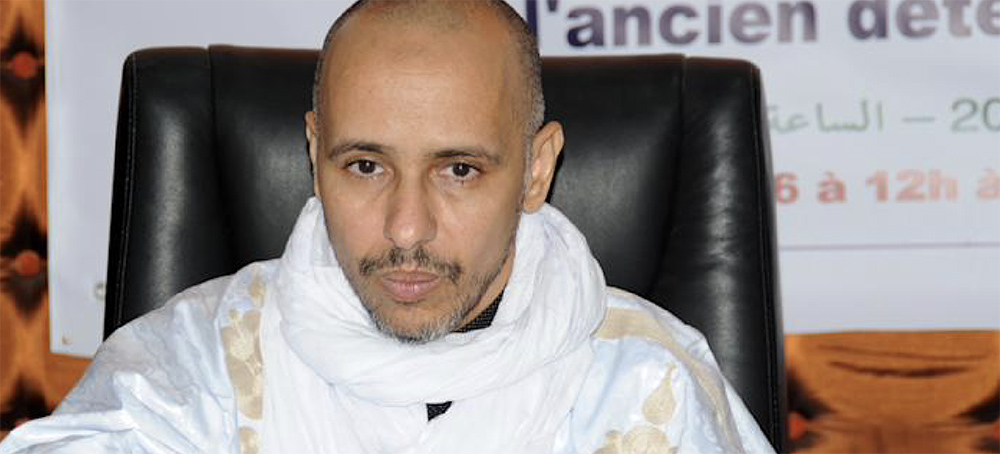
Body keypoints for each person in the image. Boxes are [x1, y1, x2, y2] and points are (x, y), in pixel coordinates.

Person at [1, 1, 775, 453]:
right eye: (365, 166)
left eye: (459, 170)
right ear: (313, 156)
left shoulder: (647, 388)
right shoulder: (194, 367)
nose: (407, 229)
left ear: (537, 170)